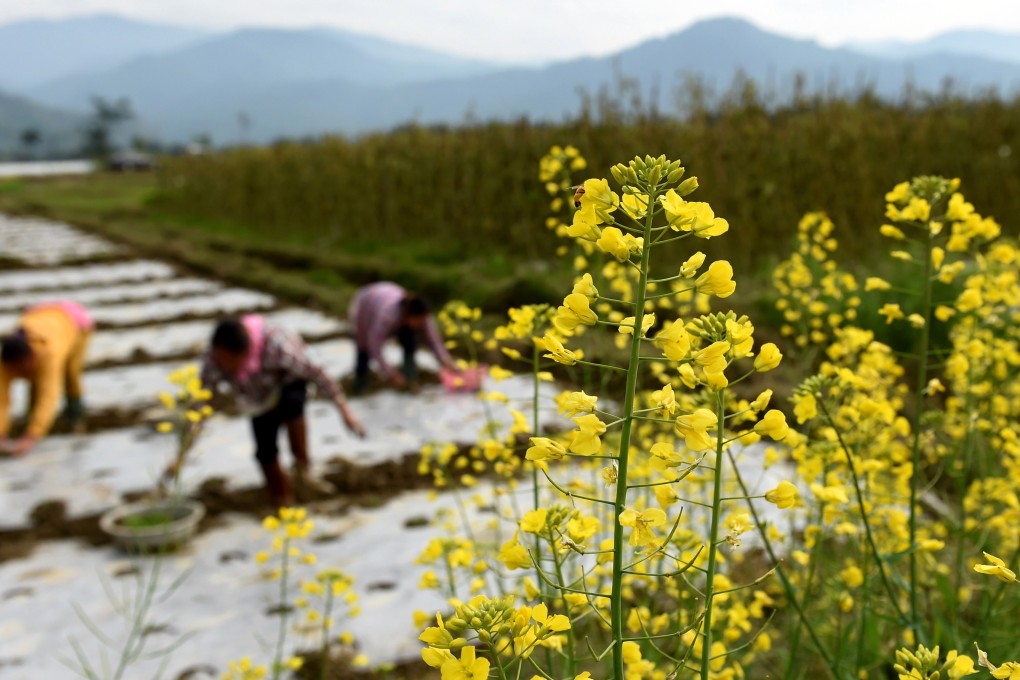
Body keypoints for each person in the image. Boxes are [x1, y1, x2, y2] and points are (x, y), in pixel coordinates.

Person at [199, 315, 365, 507]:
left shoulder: (278, 348)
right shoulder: (214, 360)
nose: (224, 366)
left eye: (229, 361)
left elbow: (317, 373)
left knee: (292, 407)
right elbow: (202, 400)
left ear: (244, 353)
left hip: (287, 385)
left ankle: (302, 471)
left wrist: (345, 412)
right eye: (220, 359)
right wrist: (181, 453)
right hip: (257, 398)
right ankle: (282, 498)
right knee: (264, 451)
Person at [0, 300, 93, 457]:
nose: (18, 374)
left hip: (75, 323)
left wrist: (31, 437)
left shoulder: (49, 354)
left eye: (21, 370)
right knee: (35, 383)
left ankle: (75, 420)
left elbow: (48, 396)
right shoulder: (6, 363)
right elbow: (1, 400)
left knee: (70, 376)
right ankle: (31, 422)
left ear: (29, 360)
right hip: (41, 316)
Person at [349, 282, 457, 393]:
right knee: (363, 347)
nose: (421, 324)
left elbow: (433, 340)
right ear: (408, 314)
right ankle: (361, 385)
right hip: (366, 303)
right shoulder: (387, 316)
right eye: (418, 321)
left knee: (410, 339)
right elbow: (374, 345)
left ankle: (409, 380)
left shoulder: (423, 317)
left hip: (388, 296)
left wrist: (446, 362)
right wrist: (391, 374)